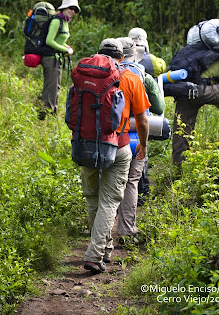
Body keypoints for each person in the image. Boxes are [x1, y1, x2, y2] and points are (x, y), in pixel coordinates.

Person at [81, 38, 150, 274]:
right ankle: (95, 253)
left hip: (85, 145)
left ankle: (104, 248)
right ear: (122, 58)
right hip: (118, 145)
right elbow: (142, 119)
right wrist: (143, 143)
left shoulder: (84, 75)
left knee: (92, 197)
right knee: (109, 201)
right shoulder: (130, 78)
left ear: (98, 53)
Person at [116, 37, 165, 245]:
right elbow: (159, 108)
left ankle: (98, 231)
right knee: (131, 182)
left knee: (107, 182)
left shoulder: (106, 72)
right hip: (134, 138)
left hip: (107, 136)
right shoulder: (141, 75)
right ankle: (127, 232)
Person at [128, 27, 167, 203]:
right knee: (141, 155)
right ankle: (141, 194)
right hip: (139, 121)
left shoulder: (112, 70)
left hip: (113, 125)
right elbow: (159, 108)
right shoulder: (149, 67)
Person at [39, 0, 80, 119]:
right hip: (49, 58)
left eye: (75, 9)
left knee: (56, 87)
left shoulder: (65, 21)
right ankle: (45, 116)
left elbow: (59, 40)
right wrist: (66, 50)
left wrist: (65, 47)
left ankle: (52, 114)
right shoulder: (57, 21)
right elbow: (49, 41)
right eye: (70, 8)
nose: (72, 11)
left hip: (56, 58)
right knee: (50, 88)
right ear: (64, 8)